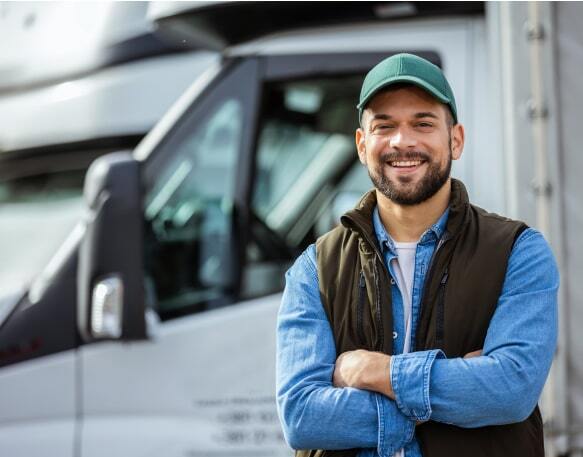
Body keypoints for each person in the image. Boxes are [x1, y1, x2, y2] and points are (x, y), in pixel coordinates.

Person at [275, 53, 559, 457]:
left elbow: (511, 390)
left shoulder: (518, 252)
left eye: (423, 124)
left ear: (455, 139)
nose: (402, 141)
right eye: (383, 126)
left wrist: (374, 373)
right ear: (361, 144)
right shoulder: (315, 268)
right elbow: (302, 418)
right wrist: (455, 389)